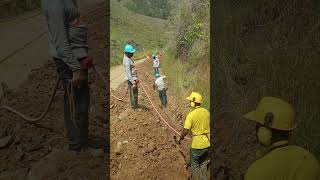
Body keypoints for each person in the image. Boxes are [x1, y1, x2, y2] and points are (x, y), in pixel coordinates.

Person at [41, 0, 91, 152]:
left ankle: (82, 142)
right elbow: (61, 43)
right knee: (75, 103)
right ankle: (76, 146)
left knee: (82, 101)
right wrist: (75, 68)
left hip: (76, 58)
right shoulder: (55, 3)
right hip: (70, 62)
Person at [243, 97, 320, 180]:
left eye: (257, 124)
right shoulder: (310, 160)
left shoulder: (256, 172)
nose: (255, 128)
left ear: (263, 132)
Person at [178, 92, 210, 180]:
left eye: (190, 101)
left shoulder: (190, 115)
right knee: (203, 164)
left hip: (197, 145)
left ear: (193, 102)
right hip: (207, 143)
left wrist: (181, 138)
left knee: (195, 165)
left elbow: (185, 130)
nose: (189, 103)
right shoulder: (206, 112)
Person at [123, 44, 139, 110]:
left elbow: (131, 68)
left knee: (135, 92)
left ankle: (135, 105)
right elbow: (128, 74)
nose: (132, 53)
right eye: (131, 52)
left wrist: (134, 70)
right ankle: (134, 108)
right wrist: (133, 82)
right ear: (127, 53)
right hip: (131, 80)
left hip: (133, 78)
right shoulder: (126, 61)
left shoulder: (128, 58)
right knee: (133, 94)